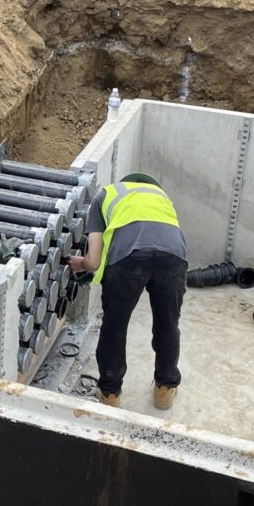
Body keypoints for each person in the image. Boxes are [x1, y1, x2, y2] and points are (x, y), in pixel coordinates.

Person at [68, 173, 187, 410]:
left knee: (115, 325)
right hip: (174, 258)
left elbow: (93, 262)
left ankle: (110, 393)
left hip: (129, 259)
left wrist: (78, 263)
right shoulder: (162, 197)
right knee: (167, 324)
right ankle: (164, 389)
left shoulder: (107, 195)